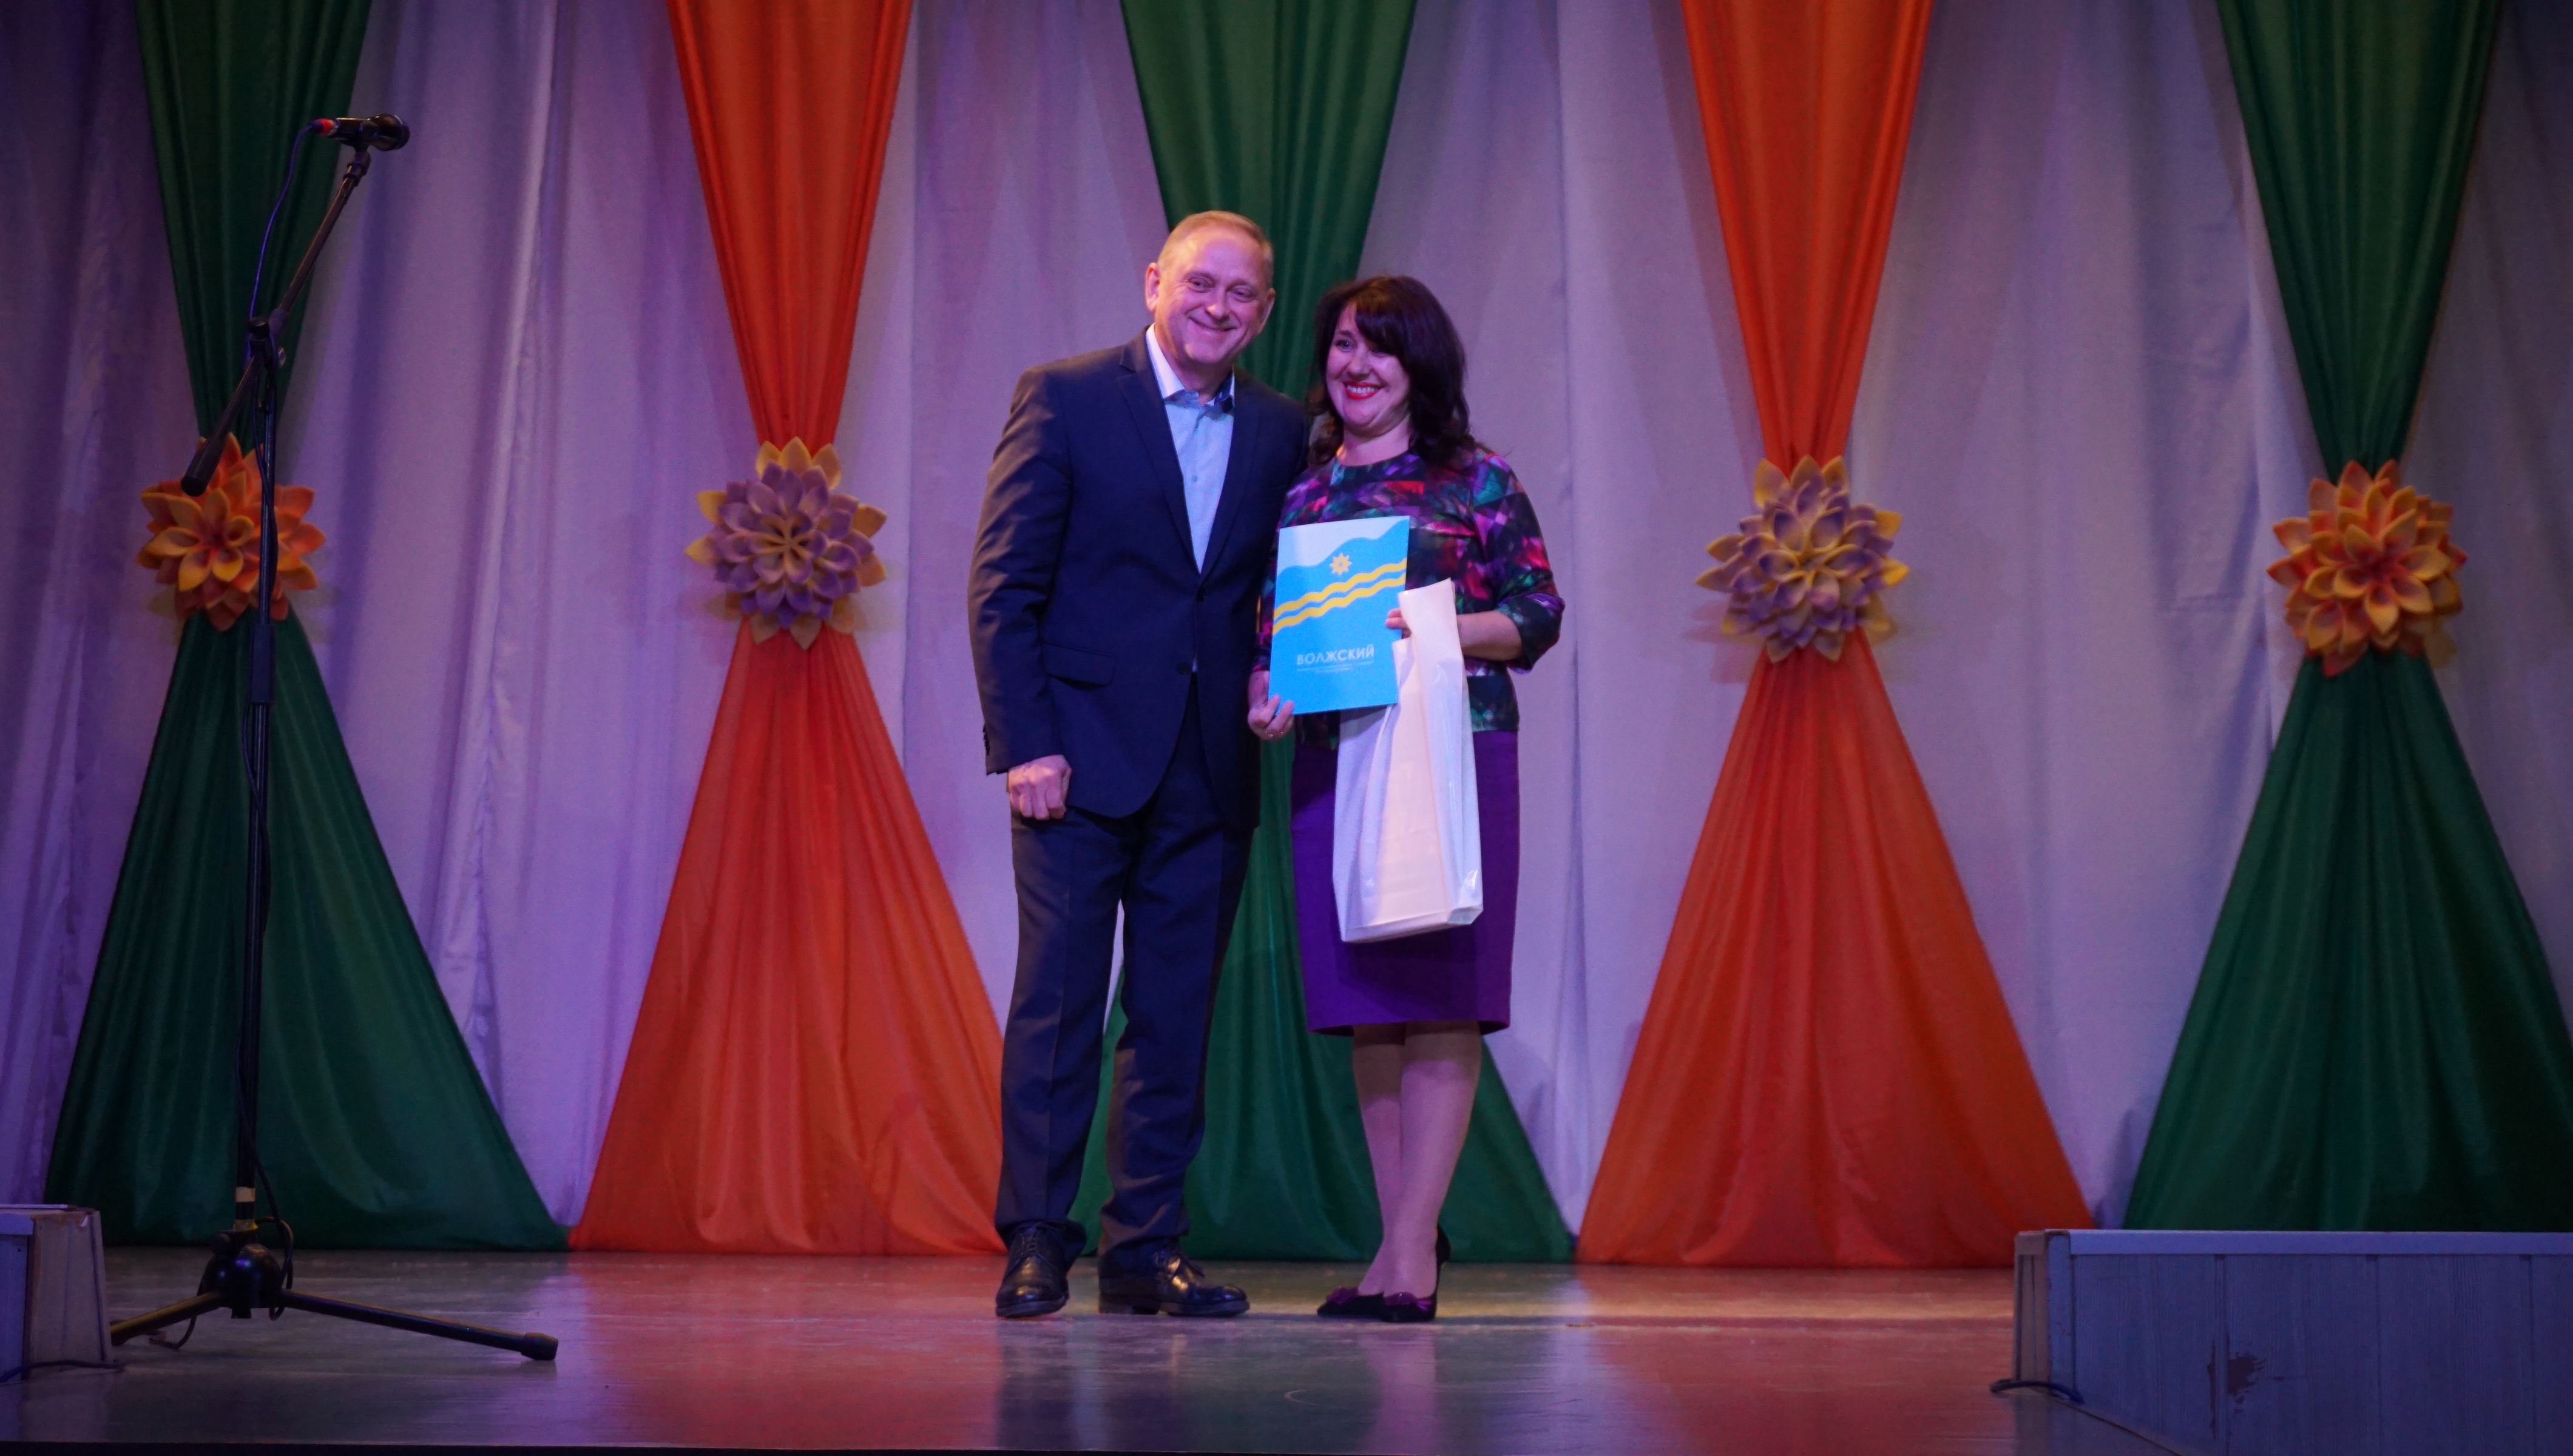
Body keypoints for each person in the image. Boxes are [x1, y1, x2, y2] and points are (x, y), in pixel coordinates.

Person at [970, 212, 1307, 1320]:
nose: (1219, 306)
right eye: (1201, 283)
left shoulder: (1281, 427)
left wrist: (1277, 673)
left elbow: (1281, 587)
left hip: (1211, 763)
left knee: (1173, 1017)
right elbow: (1004, 587)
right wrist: (1025, 744)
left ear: (1265, 311)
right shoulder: (1066, 396)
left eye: (1242, 294)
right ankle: (1036, 1238)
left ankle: (1145, 1249)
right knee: (1059, 1008)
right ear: (1155, 281)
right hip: (1074, 762)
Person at [1248, 276, 1562, 1324]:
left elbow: (1537, 613)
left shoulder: (1475, 478)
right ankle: (1392, 1250)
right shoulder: (1305, 496)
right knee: (1369, 1012)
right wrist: (1266, 692)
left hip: (1453, 754)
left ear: (1419, 365)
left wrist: (1429, 625)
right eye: (1344, 344)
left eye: (1381, 348)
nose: (1359, 365)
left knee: (1438, 998)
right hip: (1337, 762)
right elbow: (1274, 637)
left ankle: (1416, 1254)